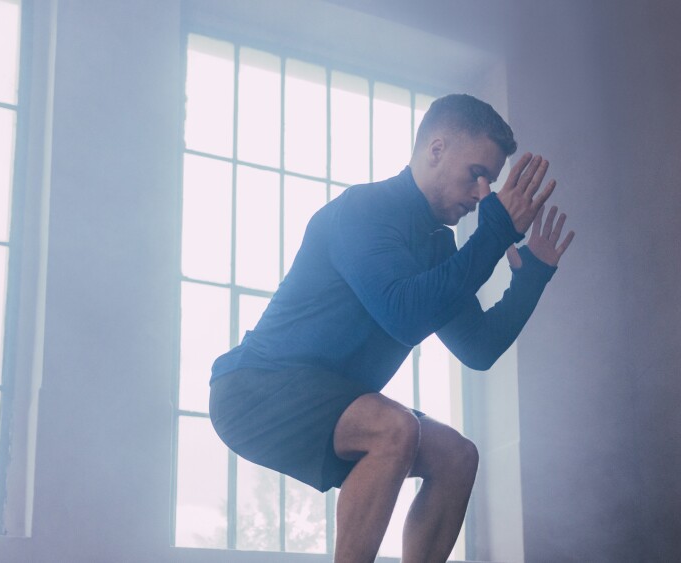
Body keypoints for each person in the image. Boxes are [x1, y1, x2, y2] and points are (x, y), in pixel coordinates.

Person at [209, 93, 574, 563]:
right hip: (252, 390)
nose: (483, 193)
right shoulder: (363, 211)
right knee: (393, 428)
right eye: (477, 174)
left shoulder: (439, 249)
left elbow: (478, 349)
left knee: (456, 456)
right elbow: (403, 316)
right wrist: (496, 231)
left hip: (332, 394)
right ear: (436, 150)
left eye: (492, 181)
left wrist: (530, 280)